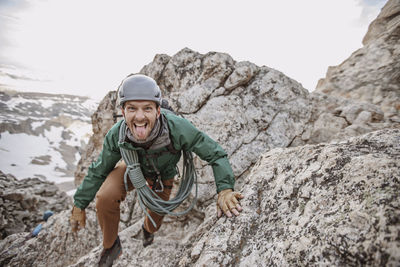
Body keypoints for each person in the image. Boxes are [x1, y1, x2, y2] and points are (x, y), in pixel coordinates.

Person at [70, 74, 244, 266]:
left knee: (154, 222)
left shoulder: (177, 128)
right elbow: (99, 169)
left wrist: (225, 189)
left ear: (158, 110)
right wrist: (79, 204)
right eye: (132, 109)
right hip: (131, 167)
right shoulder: (117, 135)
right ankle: (111, 246)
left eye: (147, 108)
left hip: (162, 176)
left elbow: (216, 154)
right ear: (123, 110)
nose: (139, 116)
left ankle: (147, 231)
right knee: (105, 196)